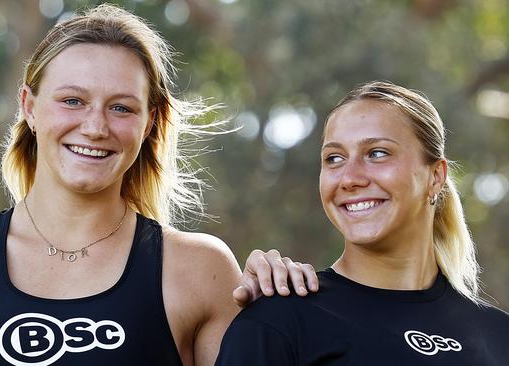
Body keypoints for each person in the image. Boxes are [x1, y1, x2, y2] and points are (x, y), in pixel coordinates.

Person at [0, 5, 318, 366]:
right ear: (30, 107)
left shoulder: (199, 269)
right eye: (73, 101)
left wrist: (279, 312)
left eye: (121, 107)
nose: (95, 127)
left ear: (149, 122)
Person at [215, 81, 509, 365]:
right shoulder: (277, 322)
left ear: (436, 177)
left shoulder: (499, 335)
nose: (350, 178)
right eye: (334, 158)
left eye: (377, 153)